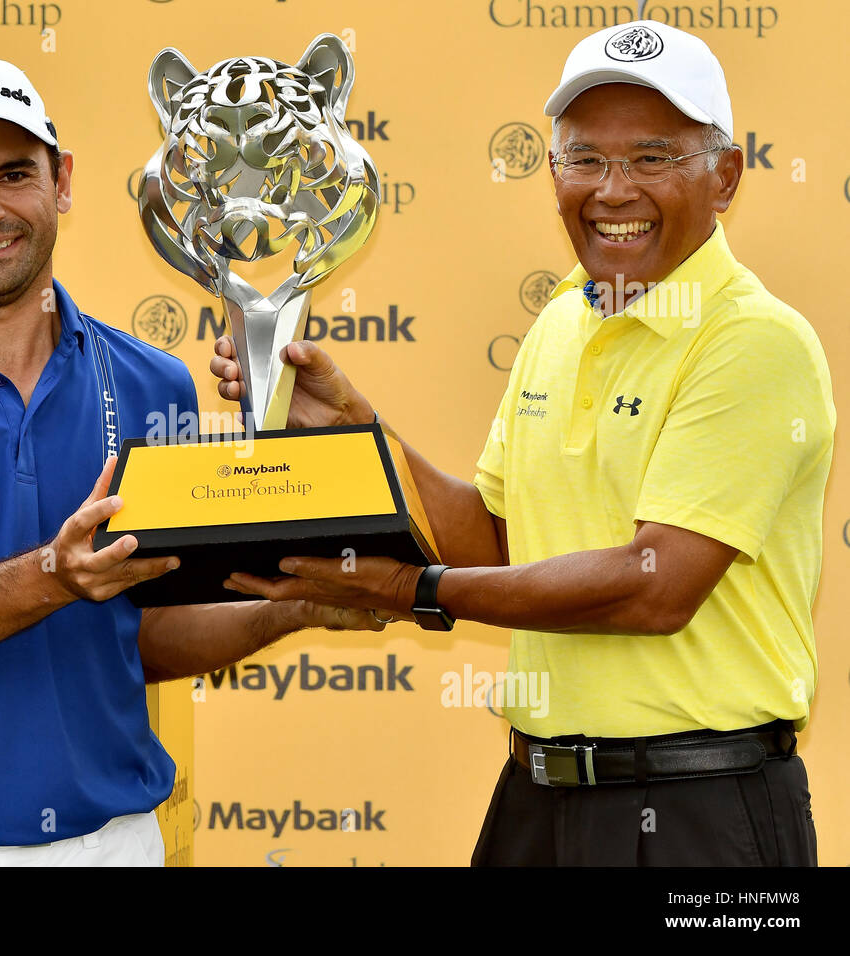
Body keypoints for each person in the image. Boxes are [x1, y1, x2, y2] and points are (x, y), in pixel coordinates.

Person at [212, 22, 834, 866]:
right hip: (537, 803)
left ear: (724, 177)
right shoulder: (560, 321)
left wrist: (410, 590)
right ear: (553, 174)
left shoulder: (754, 340)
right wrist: (354, 429)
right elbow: (500, 540)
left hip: (699, 811)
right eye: (585, 159)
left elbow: (653, 591)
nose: (613, 190)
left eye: (652, 158)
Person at [0, 54, 378, 867]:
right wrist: (52, 573)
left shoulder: (150, 381)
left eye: (14, 173)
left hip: (113, 845)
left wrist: (294, 607)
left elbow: (147, 632)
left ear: (62, 181)